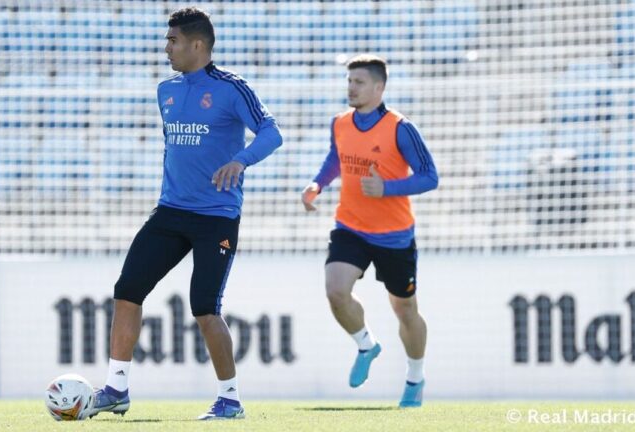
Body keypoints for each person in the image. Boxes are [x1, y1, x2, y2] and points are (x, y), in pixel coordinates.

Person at [90, 7, 282, 421]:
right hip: (170, 212)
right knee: (127, 291)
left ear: (198, 44)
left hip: (216, 217)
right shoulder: (166, 91)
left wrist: (241, 161)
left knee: (204, 307)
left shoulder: (232, 88)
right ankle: (116, 388)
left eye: (173, 41)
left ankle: (230, 398)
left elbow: (272, 132)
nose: (166, 48)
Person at [301, 54, 438, 408]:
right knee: (335, 290)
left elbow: (429, 177)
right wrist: (318, 184)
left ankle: (415, 377)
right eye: (349, 81)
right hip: (350, 226)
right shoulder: (340, 123)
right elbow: (336, 158)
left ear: (379, 87)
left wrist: (388, 189)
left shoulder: (400, 128)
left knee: (405, 310)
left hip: (394, 235)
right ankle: (366, 344)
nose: (351, 88)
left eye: (359, 82)